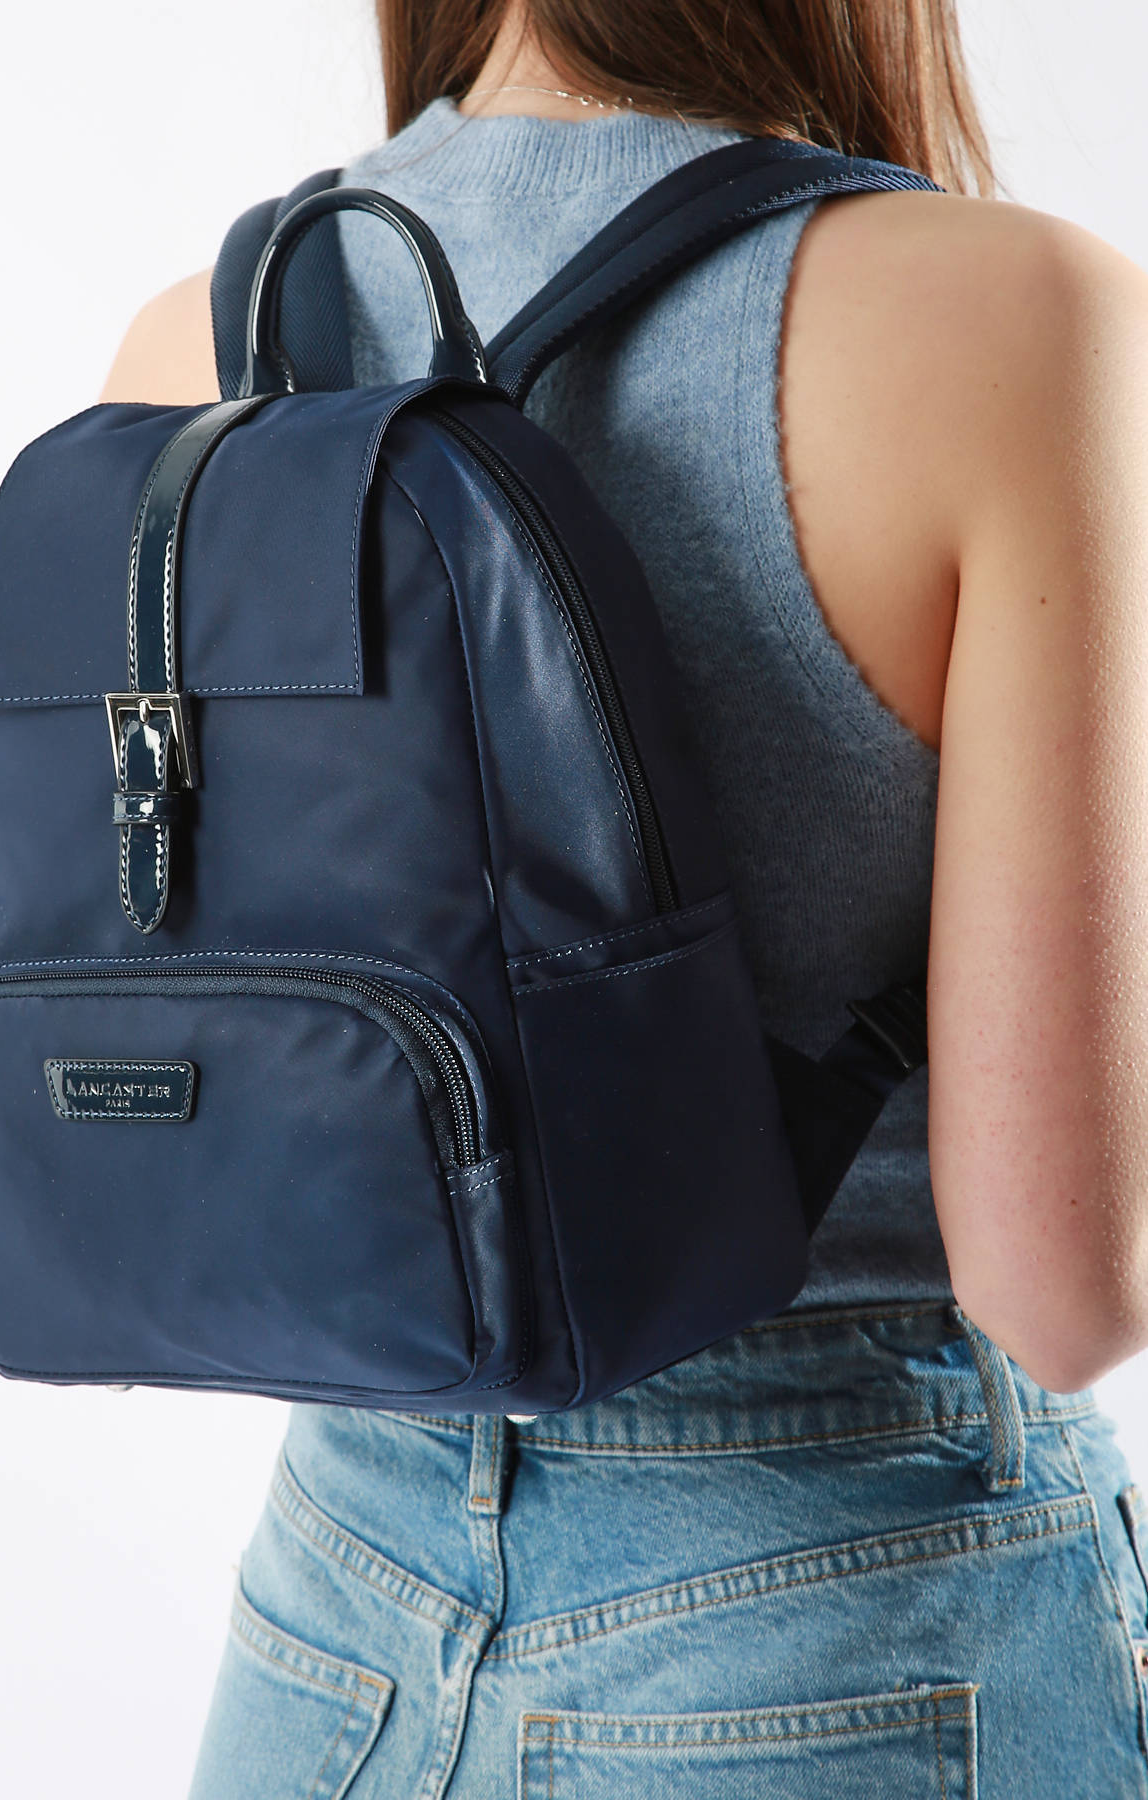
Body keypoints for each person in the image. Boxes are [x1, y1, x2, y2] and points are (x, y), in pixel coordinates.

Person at [103, 4, 1148, 1793]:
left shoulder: (199, 338)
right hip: (849, 1624)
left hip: (331, 1622)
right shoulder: (1016, 324)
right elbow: (1063, 1290)